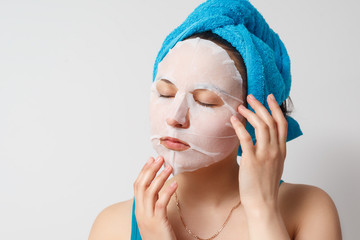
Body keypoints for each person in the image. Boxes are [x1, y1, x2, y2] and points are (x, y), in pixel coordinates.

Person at [89, 1, 342, 239]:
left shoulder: (308, 209)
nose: (174, 117)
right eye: (165, 93)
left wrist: (262, 211)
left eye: (205, 101)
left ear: (254, 117)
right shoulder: (113, 226)